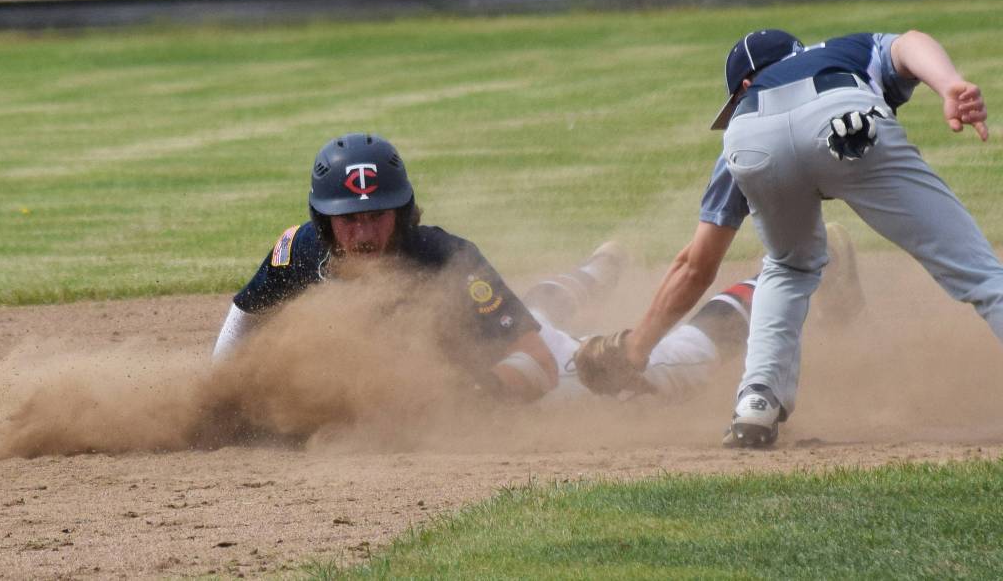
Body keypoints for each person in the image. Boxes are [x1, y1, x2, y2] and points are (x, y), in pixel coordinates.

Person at [576, 29, 998, 448]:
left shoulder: (742, 117)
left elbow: (696, 267)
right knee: (976, 270)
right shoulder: (843, 49)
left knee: (789, 266)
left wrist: (635, 349)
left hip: (754, 141)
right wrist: (948, 84)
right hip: (845, 115)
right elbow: (910, 43)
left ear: (745, 85)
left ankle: (756, 402)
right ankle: (758, 397)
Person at [213, 132, 795, 408]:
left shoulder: (446, 259)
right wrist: (219, 389)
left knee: (672, 357)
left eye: (377, 215)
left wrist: (469, 398)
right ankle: (597, 269)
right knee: (526, 306)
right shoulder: (298, 251)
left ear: (403, 213)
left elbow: (539, 364)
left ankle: (769, 280)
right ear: (323, 219)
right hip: (505, 330)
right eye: (349, 219)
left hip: (558, 373)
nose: (363, 232)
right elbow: (243, 319)